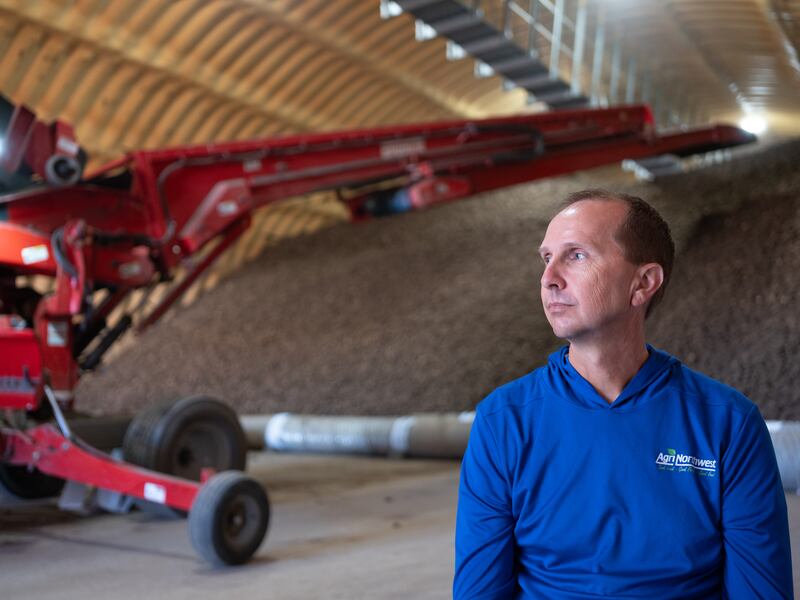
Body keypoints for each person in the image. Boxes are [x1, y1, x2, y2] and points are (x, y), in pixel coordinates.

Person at [453, 189, 793, 599]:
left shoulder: (728, 424)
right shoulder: (502, 421)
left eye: (576, 255)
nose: (549, 278)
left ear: (643, 283)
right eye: (547, 258)